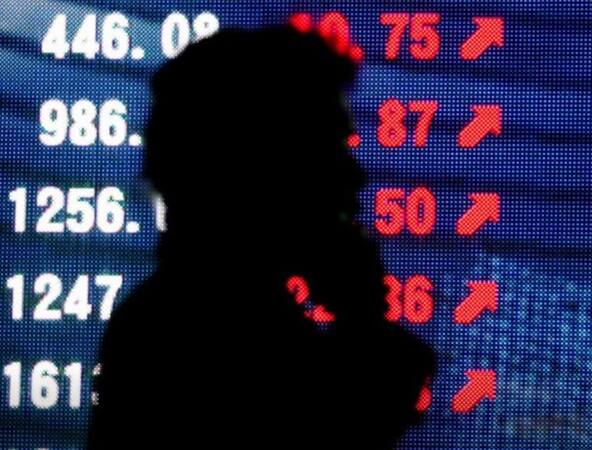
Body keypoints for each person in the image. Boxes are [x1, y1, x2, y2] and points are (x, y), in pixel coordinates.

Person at [87, 26, 434, 449]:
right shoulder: (217, 341)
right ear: (260, 166)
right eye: (328, 150)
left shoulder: (165, 324)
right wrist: (363, 320)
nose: (354, 176)